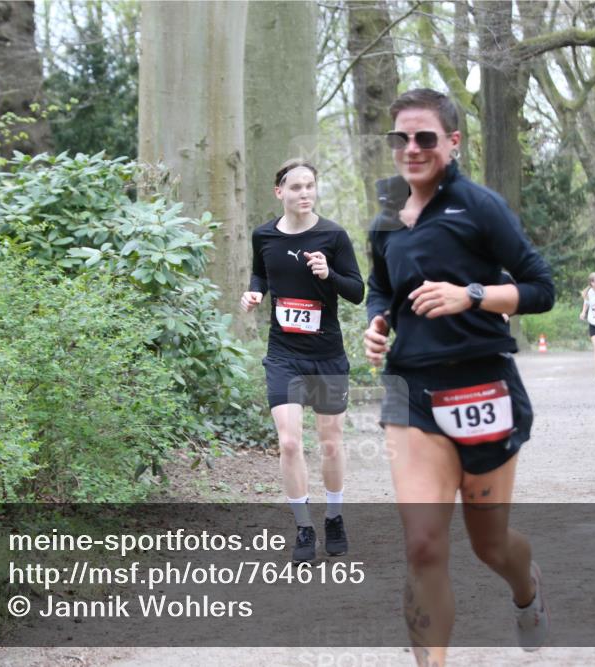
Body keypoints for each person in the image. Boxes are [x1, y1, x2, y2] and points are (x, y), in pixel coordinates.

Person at [363, 89, 555, 664]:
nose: (413, 148)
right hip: (412, 393)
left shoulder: (478, 206)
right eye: (402, 137)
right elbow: (382, 288)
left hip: (482, 387)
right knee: (423, 546)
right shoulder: (386, 218)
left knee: (490, 545)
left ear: (452, 142)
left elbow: (541, 288)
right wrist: (378, 322)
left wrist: (470, 294)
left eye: (426, 137)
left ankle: (527, 591)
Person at [241, 158, 364, 563]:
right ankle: (305, 527)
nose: (304, 194)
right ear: (280, 192)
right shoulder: (263, 236)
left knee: (330, 444)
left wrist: (329, 274)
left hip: (326, 354)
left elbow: (357, 292)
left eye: (310, 186)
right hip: (284, 354)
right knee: (290, 442)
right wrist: (254, 293)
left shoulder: (333, 235)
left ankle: (334, 516)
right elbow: (261, 275)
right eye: (296, 187)